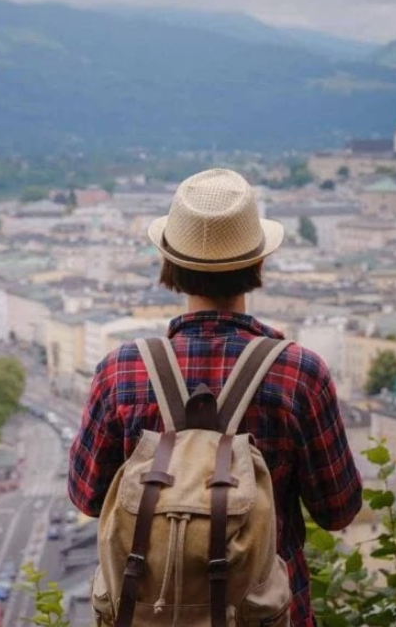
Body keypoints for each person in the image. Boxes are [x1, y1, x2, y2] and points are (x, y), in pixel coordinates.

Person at [68, 168, 362, 626]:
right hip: (263, 614)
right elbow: (338, 509)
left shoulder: (121, 372)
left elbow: (86, 497)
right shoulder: (299, 374)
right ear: (257, 264)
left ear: (171, 266)